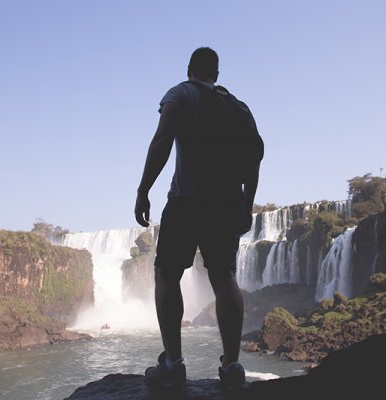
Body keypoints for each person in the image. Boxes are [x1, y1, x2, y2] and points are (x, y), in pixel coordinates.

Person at [134, 47, 262, 388]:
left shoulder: (181, 93)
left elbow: (162, 140)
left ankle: (173, 364)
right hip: (226, 204)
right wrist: (246, 204)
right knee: (225, 278)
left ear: (190, 69)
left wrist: (143, 189)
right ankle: (232, 367)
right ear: (216, 74)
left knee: (167, 273)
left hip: (186, 201)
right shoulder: (239, 107)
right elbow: (254, 159)